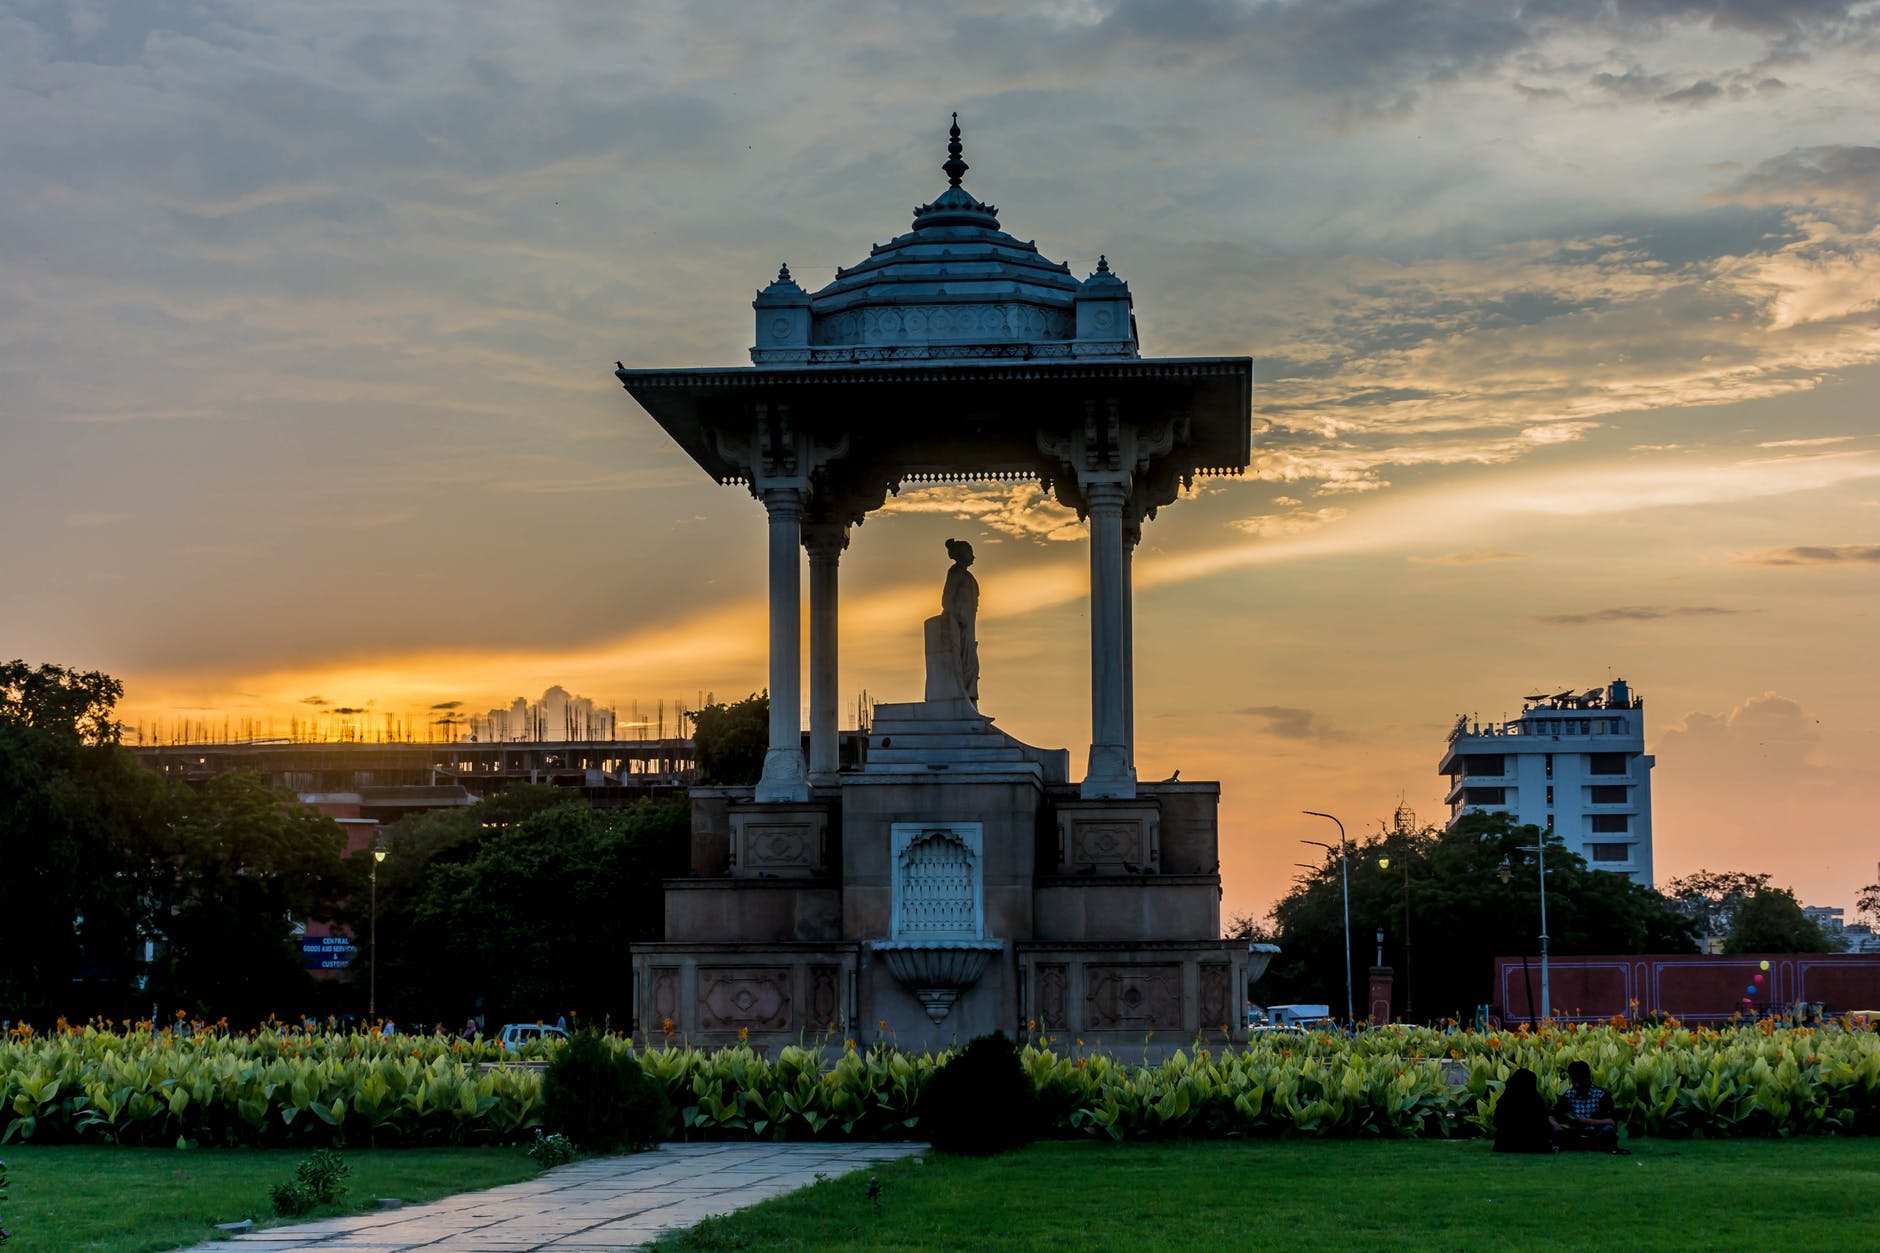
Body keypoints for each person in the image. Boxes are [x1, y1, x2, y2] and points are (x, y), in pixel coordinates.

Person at [1553, 1060, 1624, 1152]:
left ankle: (1586, 1144)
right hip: (1577, 1132)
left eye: (1578, 1081)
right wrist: (1556, 1125)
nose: (1576, 1085)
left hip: (1596, 1132)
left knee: (1608, 1130)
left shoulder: (1601, 1095)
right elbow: (1552, 1114)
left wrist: (1587, 1121)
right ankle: (1586, 1144)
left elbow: (1611, 1122)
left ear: (1587, 1079)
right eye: (1574, 1081)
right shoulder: (1569, 1094)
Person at [1493, 1067, 1556, 1154]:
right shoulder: (1535, 1100)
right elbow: (1543, 1123)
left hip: (1506, 1144)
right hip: (1532, 1144)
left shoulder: (1506, 1100)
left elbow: (1497, 1121)